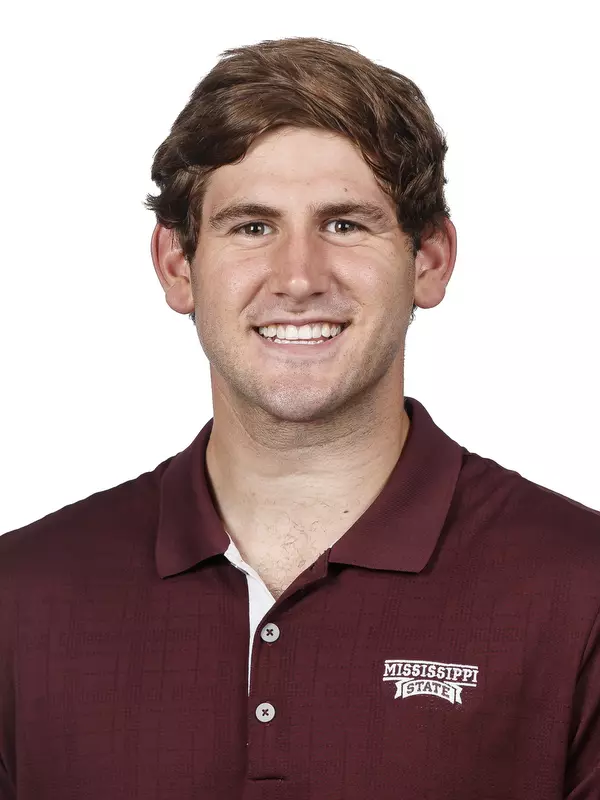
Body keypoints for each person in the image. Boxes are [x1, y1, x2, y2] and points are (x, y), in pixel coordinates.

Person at [1, 35, 599, 800]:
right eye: (252, 226)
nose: (298, 277)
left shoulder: (580, 590)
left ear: (430, 260)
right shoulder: (22, 597)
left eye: (345, 225)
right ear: (178, 265)